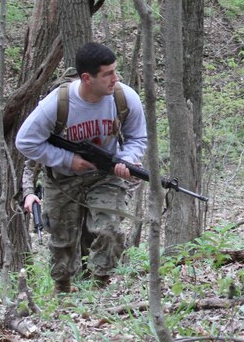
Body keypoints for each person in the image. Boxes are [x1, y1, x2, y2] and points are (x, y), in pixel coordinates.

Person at [16, 42, 147, 293]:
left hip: (105, 175)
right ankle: (63, 290)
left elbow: (137, 137)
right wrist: (67, 160)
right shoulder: (57, 104)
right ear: (87, 78)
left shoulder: (125, 97)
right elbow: (25, 142)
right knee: (62, 240)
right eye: (107, 74)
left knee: (109, 229)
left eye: (115, 71)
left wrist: (127, 159)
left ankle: (99, 287)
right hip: (63, 179)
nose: (115, 79)